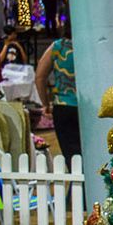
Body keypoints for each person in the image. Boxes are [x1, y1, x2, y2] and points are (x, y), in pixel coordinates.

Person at [35, 23, 80, 160]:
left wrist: (45, 104)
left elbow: (40, 77)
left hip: (63, 106)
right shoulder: (90, 45)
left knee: (72, 156)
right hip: (89, 107)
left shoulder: (58, 47)